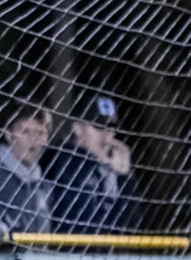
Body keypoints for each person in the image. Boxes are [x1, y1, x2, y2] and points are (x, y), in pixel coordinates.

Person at [42, 94, 137, 234]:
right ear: (77, 128)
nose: (106, 137)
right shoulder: (61, 162)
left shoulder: (108, 168)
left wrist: (124, 178)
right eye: (99, 127)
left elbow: (131, 226)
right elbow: (83, 223)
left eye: (111, 129)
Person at [0, 103, 53, 237]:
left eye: (39, 133)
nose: (33, 140)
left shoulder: (44, 185)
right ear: (8, 134)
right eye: (25, 132)